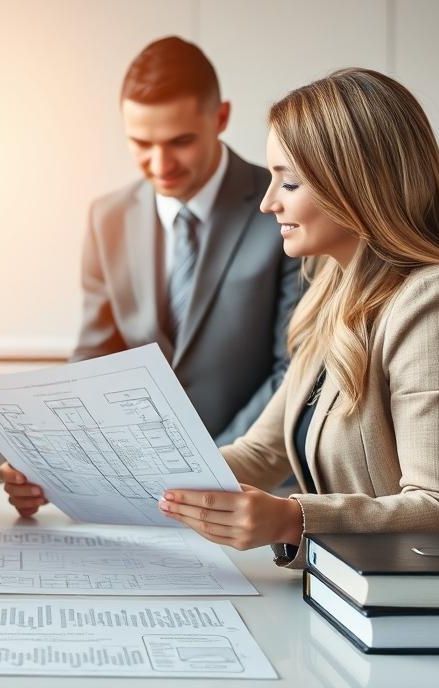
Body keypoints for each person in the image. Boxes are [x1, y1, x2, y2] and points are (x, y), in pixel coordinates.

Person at [6, 68, 439, 567]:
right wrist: (83, 476)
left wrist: (290, 519)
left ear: (358, 186)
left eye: (290, 183)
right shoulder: (332, 296)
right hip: (355, 593)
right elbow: (258, 453)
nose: (269, 203)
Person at [69, 36, 300, 444]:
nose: (160, 166)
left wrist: (218, 465)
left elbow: (294, 369)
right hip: (138, 481)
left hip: (257, 483)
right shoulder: (107, 218)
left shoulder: (285, 208)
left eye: (181, 142)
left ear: (221, 117)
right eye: (141, 143)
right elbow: (94, 364)